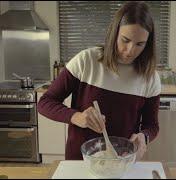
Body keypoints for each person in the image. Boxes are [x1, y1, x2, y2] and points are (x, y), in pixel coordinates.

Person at [38, 1, 161, 161]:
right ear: (114, 33)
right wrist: (76, 117)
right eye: (125, 40)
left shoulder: (150, 78)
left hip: (122, 161)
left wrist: (144, 137)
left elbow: (152, 125)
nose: (130, 50)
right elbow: (45, 102)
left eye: (140, 44)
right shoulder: (86, 61)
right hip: (80, 161)